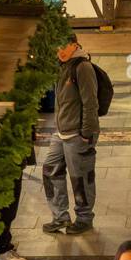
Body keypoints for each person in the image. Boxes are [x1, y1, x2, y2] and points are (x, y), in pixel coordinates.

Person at [43, 36, 101, 235]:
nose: (60, 50)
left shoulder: (82, 67)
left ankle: (84, 218)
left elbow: (90, 102)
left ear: (75, 45)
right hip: (61, 132)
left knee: (80, 178)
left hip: (77, 134)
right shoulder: (62, 66)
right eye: (57, 46)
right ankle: (60, 216)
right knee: (50, 170)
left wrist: (86, 133)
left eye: (64, 46)